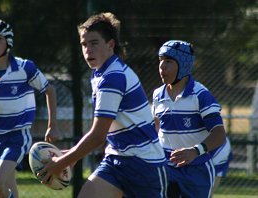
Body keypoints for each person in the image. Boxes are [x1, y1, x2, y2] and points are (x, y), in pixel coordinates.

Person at [39, 12, 168, 198]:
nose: (87, 50)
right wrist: (72, 155)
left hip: (144, 167)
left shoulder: (113, 77)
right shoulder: (100, 74)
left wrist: (64, 161)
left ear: (110, 45)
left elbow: (98, 136)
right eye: (84, 44)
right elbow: (101, 131)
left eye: (94, 43)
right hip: (116, 161)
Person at [0, 19, 59, 198]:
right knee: (9, 190)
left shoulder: (25, 68)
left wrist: (52, 124)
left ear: (9, 41)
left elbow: (50, 90)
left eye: (0, 38)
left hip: (17, 136)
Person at [152, 40, 226, 198]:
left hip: (197, 169)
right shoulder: (158, 95)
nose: (162, 66)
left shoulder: (201, 95)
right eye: (160, 61)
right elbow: (156, 128)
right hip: (166, 168)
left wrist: (195, 151)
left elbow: (219, 134)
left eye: (169, 61)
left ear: (184, 65)